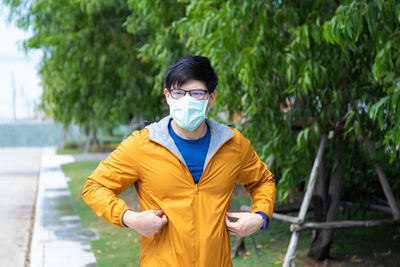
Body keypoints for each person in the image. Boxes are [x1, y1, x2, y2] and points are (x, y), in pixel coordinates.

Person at [82, 55, 276, 266]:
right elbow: (95, 186)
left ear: (211, 97)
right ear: (167, 96)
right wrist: (130, 218)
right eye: (179, 93)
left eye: (196, 93)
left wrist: (260, 217)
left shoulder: (233, 144)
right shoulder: (142, 144)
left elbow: (262, 180)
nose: (187, 100)